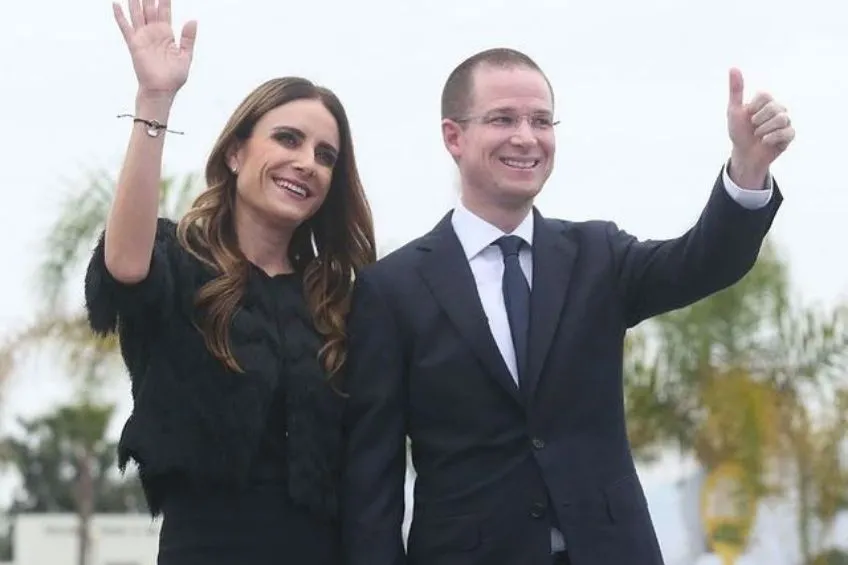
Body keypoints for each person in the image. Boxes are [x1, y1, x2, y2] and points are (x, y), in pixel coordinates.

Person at [341, 48, 793, 565]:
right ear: (453, 136)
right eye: (503, 119)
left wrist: (748, 169)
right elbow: (371, 481)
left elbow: (703, 262)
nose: (526, 137)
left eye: (540, 120)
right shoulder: (392, 289)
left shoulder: (598, 255)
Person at [85, 1, 376, 564]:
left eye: (325, 155)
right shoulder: (177, 261)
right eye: (287, 139)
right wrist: (154, 101)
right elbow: (124, 267)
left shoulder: (340, 299)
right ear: (237, 152)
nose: (307, 163)